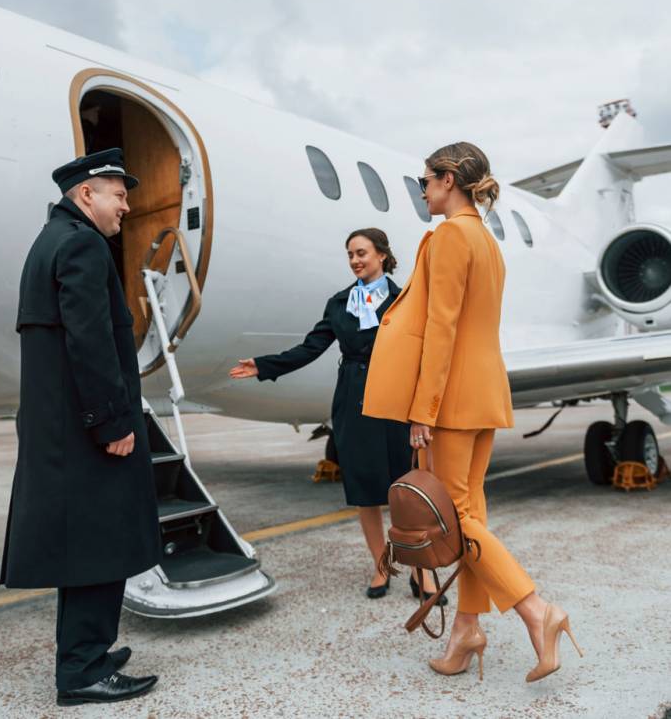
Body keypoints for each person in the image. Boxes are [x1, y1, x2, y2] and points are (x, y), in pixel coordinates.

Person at [362, 143, 583, 682]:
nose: (422, 189)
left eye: (427, 180)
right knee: (471, 513)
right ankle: (466, 630)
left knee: (455, 519)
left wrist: (423, 408)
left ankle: (537, 613)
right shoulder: (486, 241)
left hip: (452, 400)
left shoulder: (449, 237)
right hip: (483, 391)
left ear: (449, 180)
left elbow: (441, 330)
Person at [0, 148, 162, 706]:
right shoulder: (81, 245)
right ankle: (82, 669)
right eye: (119, 196)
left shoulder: (54, 240)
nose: (125, 208)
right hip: (86, 429)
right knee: (99, 543)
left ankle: (88, 647)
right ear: (86, 193)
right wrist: (111, 420)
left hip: (65, 427)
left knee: (86, 546)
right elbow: (90, 342)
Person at [229, 228, 435, 599]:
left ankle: (422, 571)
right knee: (367, 493)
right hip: (353, 403)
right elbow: (311, 347)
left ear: (383, 256)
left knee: (408, 493)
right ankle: (381, 566)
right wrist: (264, 366)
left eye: (362, 253)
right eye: (351, 255)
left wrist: (422, 411)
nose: (356, 260)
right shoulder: (340, 303)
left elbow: (423, 357)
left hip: (396, 402)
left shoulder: (405, 298)